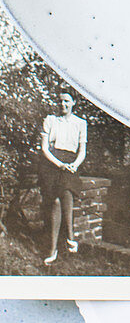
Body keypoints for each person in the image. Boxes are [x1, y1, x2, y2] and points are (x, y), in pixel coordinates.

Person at [38, 92, 87, 266]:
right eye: (60, 101)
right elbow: (44, 149)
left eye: (66, 101)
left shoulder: (81, 123)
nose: (62, 104)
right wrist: (60, 165)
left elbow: (82, 151)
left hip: (71, 162)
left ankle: (67, 238)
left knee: (66, 191)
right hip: (50, 163)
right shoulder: (50, 120)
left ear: (74, 102)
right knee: (56, 202)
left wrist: (74, 165)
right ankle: (56, 247)